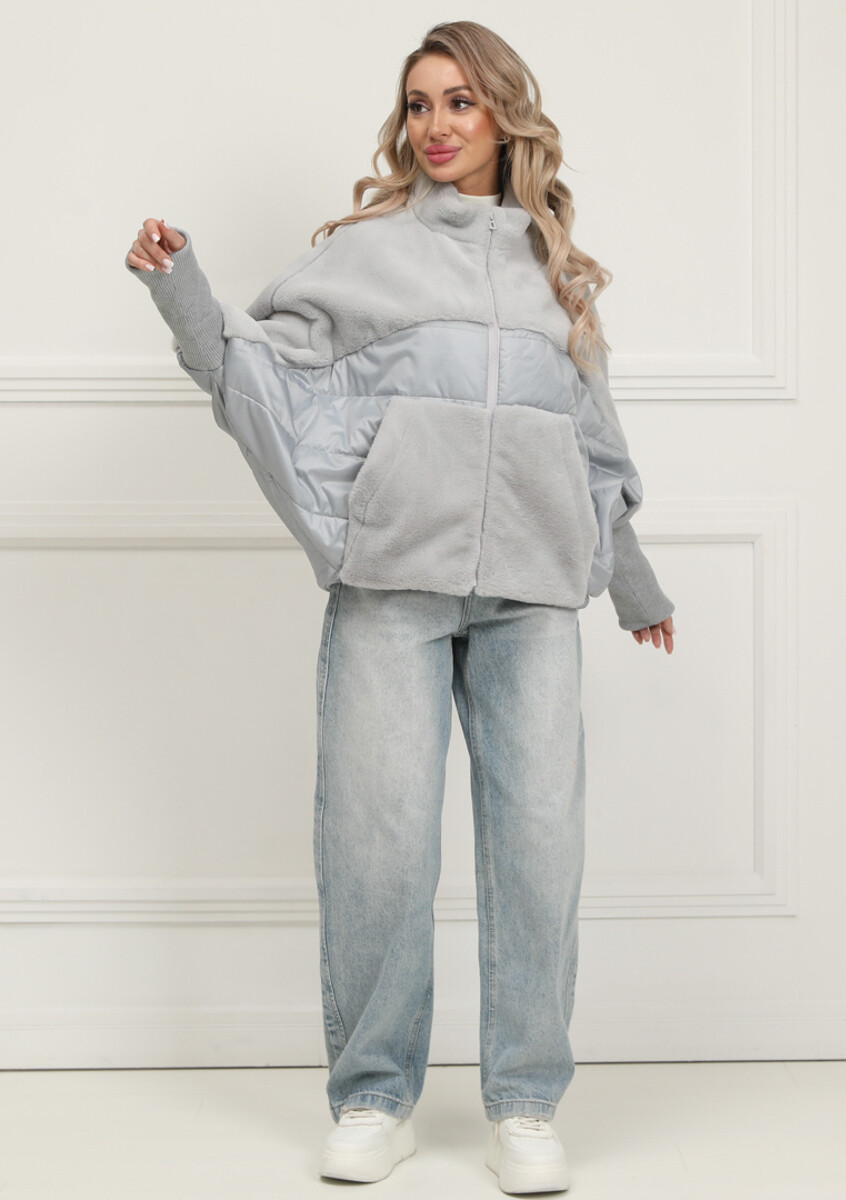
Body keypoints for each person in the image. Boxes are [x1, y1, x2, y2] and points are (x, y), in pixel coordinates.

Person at [126, 20, 675, 1195]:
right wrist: (181, 289)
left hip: (531, 597)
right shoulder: (365, 256)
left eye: (461, 102)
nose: (436, 125)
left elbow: (590, 440)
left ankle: (526, 1104)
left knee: (541, 848)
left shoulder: (558, 272)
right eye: (419, 104)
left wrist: (632, 583)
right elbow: (250, 371)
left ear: (506, 118)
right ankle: (374, 1096)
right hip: (391, 586)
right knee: (377, 847)